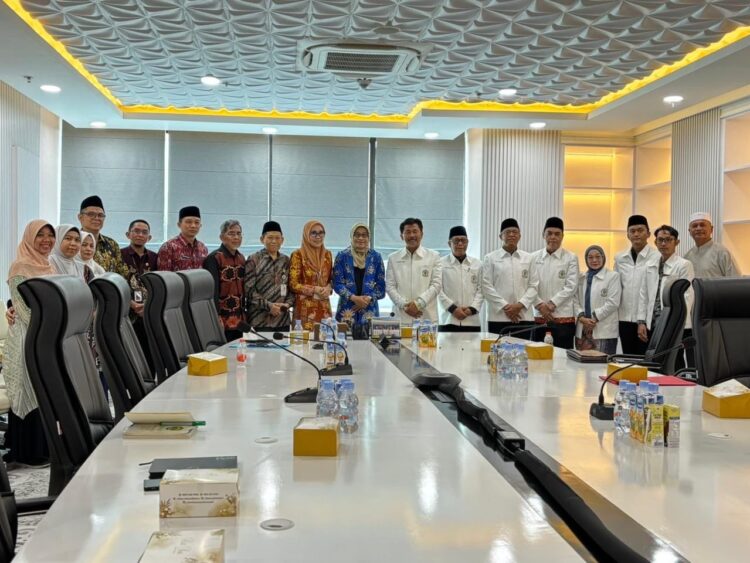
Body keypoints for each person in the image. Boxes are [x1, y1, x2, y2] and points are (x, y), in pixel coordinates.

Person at [3, 220, 56, 465]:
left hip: (47, 334)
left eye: (50, 235)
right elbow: (22, 309)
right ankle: (27, 451)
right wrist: (48, 327)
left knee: (44, 389)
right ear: (29, 238)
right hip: (28, 336)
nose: (46, 240)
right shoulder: (19, 266)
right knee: (28, 387)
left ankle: (44, 447)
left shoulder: (49, 264)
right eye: (40, 235)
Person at [637, 225, 694, 368]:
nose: (664, 243)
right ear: (655, 242)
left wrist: (674, 322)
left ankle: (677, 383)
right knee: (656, 361)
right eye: (660, 240)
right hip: (654, 322)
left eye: (668, 240)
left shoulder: (684, 265)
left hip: (674, 323)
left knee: (674, 361)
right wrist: (641, 321)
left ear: (676, 242)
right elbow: (643, 295)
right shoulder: (650, 265)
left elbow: (687, 297)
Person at [482, 218, 537, 337]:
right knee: (497, 348)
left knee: (523, 348)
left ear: (519, 236)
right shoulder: (490, 258)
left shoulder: (529, 258)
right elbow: (486, 286)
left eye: (515, 232)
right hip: (498, 316)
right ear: (500, 236)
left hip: (523, 315)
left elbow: (534, 286)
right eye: (507, 232)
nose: (511, 235)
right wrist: (506, 307)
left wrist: (519, 306)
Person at [530, 217, 579, 349]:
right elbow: (529, 285)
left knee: (563, 359)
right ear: (543, 235)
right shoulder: (532, 258)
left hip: (564, 318)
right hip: (538, 316)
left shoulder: (571, 258)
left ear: (562, 236)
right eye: (549, 233)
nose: (553, 237)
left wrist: (552, 304)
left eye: (557, 234)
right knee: (538, 356)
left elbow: (571, 286)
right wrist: (540, 306)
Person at [614, 215, 659, 355]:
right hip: (624, 318)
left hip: (648, 320)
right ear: (627, 235)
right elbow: (616, 287)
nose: (636, 234)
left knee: (645, 360)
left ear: (648, 234)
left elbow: (654, 292)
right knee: (628, 358)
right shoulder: (620, 258)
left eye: (640, 230)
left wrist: (643, 321)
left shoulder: (657, 257)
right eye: (632, 231)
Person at [332, 223, 386, 337]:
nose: (361, 238)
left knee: (370, 344)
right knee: (345, 342)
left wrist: (367, 299)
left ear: (369, 237)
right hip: (347, 310)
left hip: (369, 310)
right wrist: (354, 298)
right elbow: (337, 283)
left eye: (364, 235)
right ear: (352, 237)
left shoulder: (376, 257)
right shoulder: (342, 256)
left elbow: (381, 287)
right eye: (357, 235)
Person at [386, 218, 442, 324]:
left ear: (422, 234)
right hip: (402, 316)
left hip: (426, 318)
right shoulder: (393, 258)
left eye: (415, 231)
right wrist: (404, 305)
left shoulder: (434, 256)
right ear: (401, 236)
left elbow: (436, 285)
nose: (412, 235)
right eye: (408, 232)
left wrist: (418, 304)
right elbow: (390, 286)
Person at [121, 219, 159, 371]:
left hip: (149, 312)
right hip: (127, 313)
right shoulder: (120, 256)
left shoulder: (155, 258)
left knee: (150, 355)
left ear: (149, 237)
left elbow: (159, 285)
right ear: (128, 234)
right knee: (130, 355)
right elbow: (117, 283)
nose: (140, 235)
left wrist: (149, 305)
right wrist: (131, 303)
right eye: (136, 231)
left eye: (144, 232)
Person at [244, 221, 295, 332]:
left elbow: (291, 287)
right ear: (262, 239)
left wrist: (287, 304)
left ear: (282, 240)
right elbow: (249, 290)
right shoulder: (254, 259)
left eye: (277, 238)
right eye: (270, 237)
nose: (274, 241)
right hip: (260, 320)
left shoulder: (286, 260)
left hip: (282, 320)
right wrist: (269, 306)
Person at [203, 220, 246, 341]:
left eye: (239, 233)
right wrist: (215, 316)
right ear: (222, 237)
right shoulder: (214, 258)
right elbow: (212, 291)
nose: (236, 237)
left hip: (240, 319)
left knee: (240, 349)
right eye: (231, 233)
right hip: (222, 319)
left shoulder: (241, 258)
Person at [575, 246, 621, 355]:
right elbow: (575, 300)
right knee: (582, 363)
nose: (594, 260)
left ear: (603, 258)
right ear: (586, 259)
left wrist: (593, 318)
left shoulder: (613, 276)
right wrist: (582, 318)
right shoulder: (581, 278)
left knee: (603, 363)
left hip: (604, 330)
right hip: (583, 330)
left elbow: (613, 303)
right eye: (590, 257)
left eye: (598, 257)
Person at [289, 220, 333, 330]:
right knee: (304, 340)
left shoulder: (327, 255)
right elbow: (293, 284)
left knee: (326, 338)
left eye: (321, 233)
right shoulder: (298, 255)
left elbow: (331, 280)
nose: (318, 236)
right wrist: (314, 289)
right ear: (306, 235)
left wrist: (329, 288)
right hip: (305, 311)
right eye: (313, 233)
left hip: (324, 309)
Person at [437, 226, 482, 332]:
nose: (460, 244)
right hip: (448, 319)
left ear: (467, 242)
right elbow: (438, 290)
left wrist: (471, 309)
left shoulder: (478, 264)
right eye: (456, 240)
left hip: (472, 320)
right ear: (449, 243)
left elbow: (481, 290)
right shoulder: (440, 263)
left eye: (463, 240)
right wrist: (453, 309)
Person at [77, 195, 128, 276]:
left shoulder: (112, 244)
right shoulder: (73, 241)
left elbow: (123, 274)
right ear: (80, 217)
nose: (96, 218)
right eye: (91, 214)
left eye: (100, 215)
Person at [684, 211, 739, 278]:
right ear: (689, 231)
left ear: (711, 229)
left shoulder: (722, 253)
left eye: (702, 225)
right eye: (695, 226)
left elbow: (736, 280)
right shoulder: (687, 256)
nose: (698, 228)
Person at [158, 206, 208, 271]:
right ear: (179, 224)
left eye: (197, 222)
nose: (193, 226)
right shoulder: (168, 247)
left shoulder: (203, 248)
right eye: (188, 222)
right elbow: (163, 274)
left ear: (200, 225)